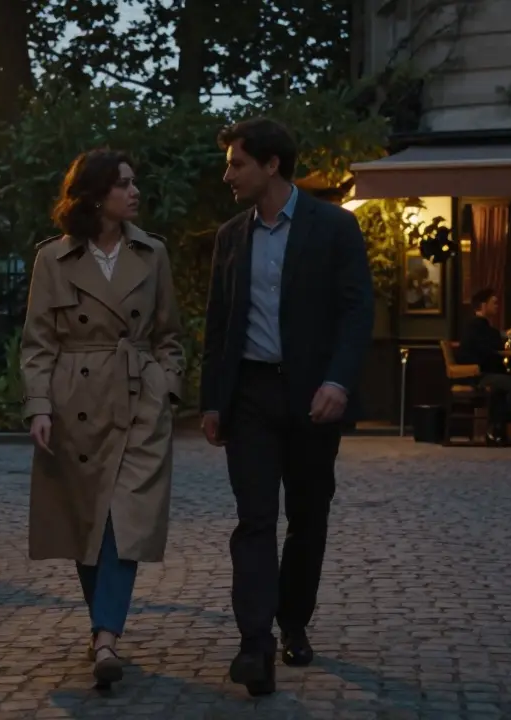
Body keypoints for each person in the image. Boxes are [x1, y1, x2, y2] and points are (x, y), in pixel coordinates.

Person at [199, 118, 375, 697]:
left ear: (271, 165)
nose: (228, 174)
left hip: (313, 397)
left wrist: (339, 383)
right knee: (254, 520)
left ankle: (293, 618)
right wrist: (212, 401)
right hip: (249, 395)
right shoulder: (231, 236)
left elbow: (356, 313)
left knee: (308, 515)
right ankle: (255, 645)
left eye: (237, 164)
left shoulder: (335, 228)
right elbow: (219, 324)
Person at [20, 149, 185, 688]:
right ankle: (103, 629)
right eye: (123, 184)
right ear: (94, 196)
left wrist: (167, 389)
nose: (135, 192)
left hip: (139, 400)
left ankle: (106, 635)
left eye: (135, 182)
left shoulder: (153, 252)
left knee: (123, 519)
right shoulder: (53, 259)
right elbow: (38, 344)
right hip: (77, 403)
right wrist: (40, 406)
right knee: (86, 518)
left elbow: (169, 336)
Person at [457, 288, 511, 446]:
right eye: (493, 302)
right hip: (478, 375)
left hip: (484, 373)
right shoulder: (477, 327)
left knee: (508, 385)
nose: (497, 306)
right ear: (482, 305)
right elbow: (490, 350)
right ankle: (496, 427)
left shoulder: (480, 327)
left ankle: (497, 428)